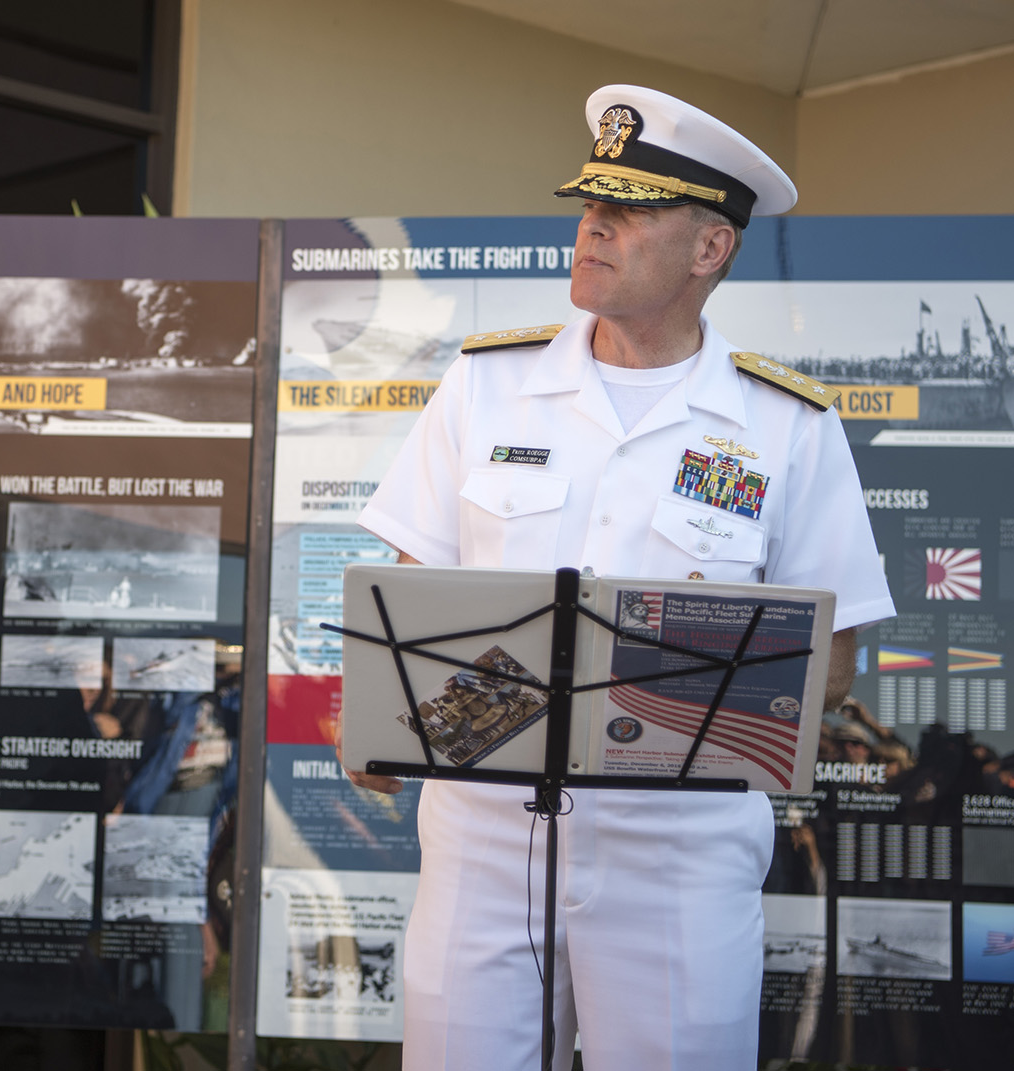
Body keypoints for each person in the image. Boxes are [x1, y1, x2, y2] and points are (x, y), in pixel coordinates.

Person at [347, 85, 895, 1071]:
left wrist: (645, 697)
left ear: (710, 248)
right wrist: (382, 721)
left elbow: (838, 663)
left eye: (629, 210)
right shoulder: (486, 384)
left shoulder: (785, 428)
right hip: (482, 836)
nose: (592, 225)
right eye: (591, 203)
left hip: (678, 852)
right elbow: (408, 595)